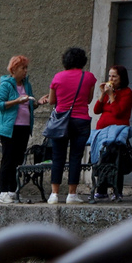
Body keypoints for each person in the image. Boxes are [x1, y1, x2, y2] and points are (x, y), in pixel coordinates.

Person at [37, 46, 95, 204]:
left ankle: (54, 194)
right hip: (81, 120)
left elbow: (52, 101)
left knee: (58, 157)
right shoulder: (89, 77)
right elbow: (88, 100)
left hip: (60, 120)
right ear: (83, 61)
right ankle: (72, 194)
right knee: (76, 157)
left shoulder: (58, 77)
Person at [0, 55, 35, 204]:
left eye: (26, 68)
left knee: (18, 160)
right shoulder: (6, 85)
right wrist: (17, 100)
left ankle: (13, 191)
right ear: (14, 69)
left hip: (24, 127)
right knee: (8, 159)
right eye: (23, 68)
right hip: (9, 128)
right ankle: (3, 192)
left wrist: (38, 102)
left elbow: (29, 102)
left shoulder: (26, 85)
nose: (25, 71)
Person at [89, 65, 132, 201]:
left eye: (114, 76)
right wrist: (103, 94)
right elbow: (96, 110)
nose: (111, 79)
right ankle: (101, 190)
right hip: (102, 131)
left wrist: (111, 96)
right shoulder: (109, 93)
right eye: (110, 76)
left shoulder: (127, 92)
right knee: (101, 159)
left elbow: (118, 112)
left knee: (115, 159)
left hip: (117, 131)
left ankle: (116, 190)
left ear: (121, 78)